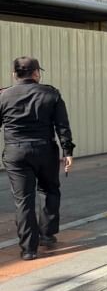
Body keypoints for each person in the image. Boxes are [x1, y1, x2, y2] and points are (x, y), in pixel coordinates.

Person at [0, 57, 74, 260]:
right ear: (36, 74)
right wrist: (68, 151)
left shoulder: (3, 95)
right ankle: (47, 235)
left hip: (16, 153)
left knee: (23, 200)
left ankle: (28, 250)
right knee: (50, 190)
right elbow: (62, 126)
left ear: (14, 74)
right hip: (45, 151)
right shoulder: (51, 94)